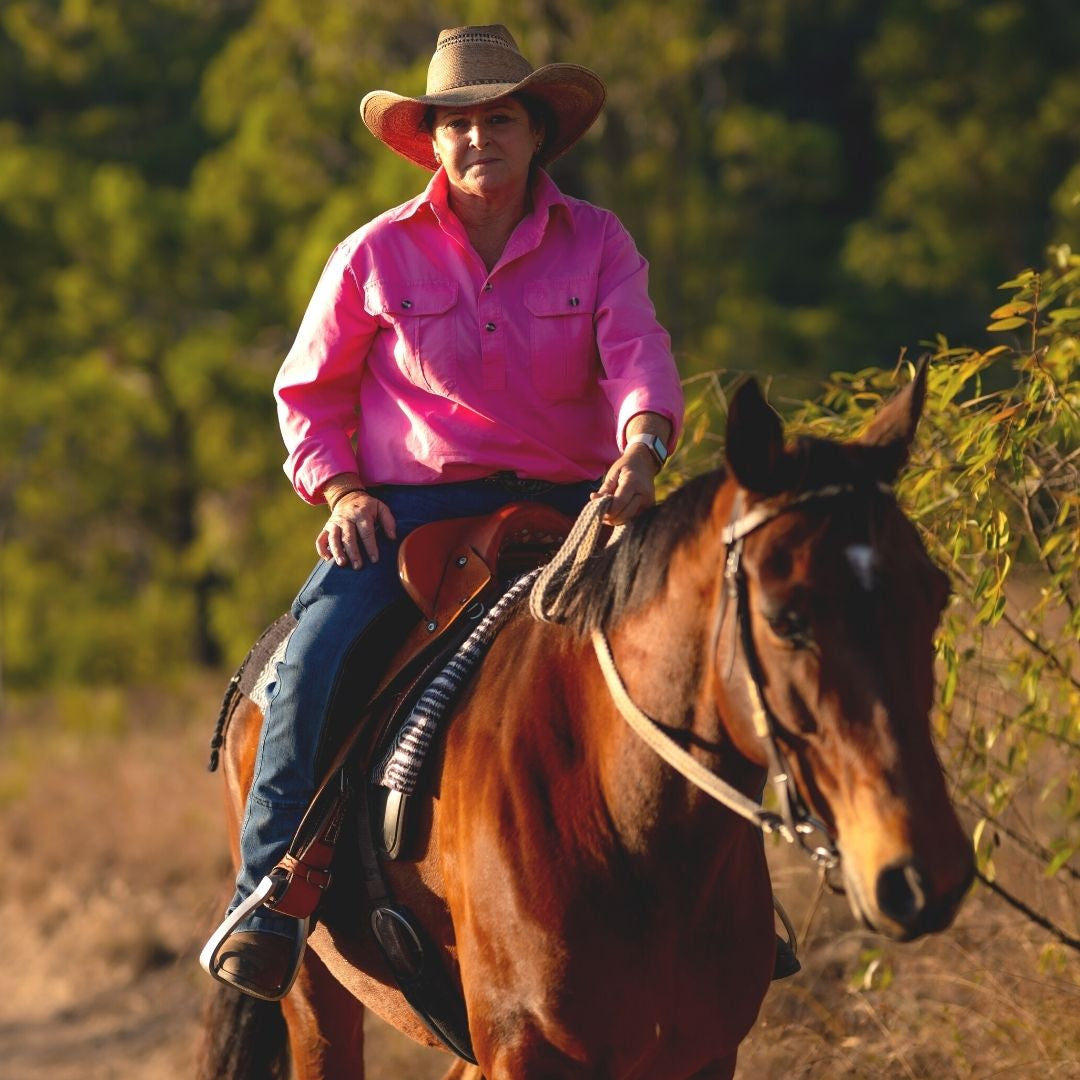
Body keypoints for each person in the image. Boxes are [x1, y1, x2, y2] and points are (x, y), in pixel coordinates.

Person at [201, 24, 684, 1001]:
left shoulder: (599, 242)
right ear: (431, 141)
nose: (476, 141)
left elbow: (638, 352)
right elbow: (310, 395)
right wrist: (339, 492)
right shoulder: (374, 254)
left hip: (576, 503)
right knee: (314, 655)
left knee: (702, 642)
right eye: (455, 124)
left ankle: (727, 904)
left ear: (535, 131)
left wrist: (645, 441)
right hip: (411, 512)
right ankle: (270, 895)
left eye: (497, 119)